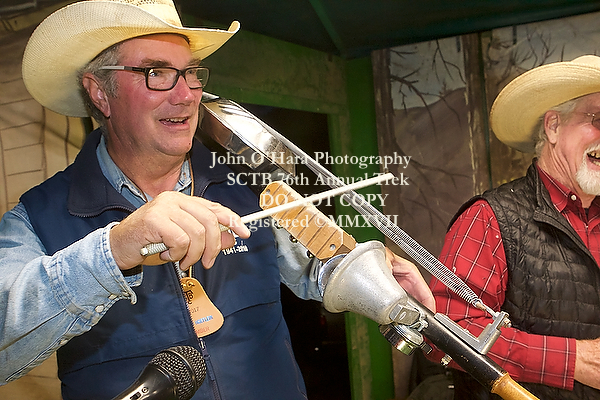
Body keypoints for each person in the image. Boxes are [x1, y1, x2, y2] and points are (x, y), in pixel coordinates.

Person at [0, 0, 435, 399]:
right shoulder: (36, 216)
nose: (186, 94)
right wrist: (114, 250)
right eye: (157, 73)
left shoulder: (251, 181)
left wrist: (377, 278)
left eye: (191, 72)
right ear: (100, 92)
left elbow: (322, 261)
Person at [428, 55, 600, 399]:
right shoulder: (489, 217)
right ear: (553, 126)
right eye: (598, 119)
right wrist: (575, 361)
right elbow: (446, 332)